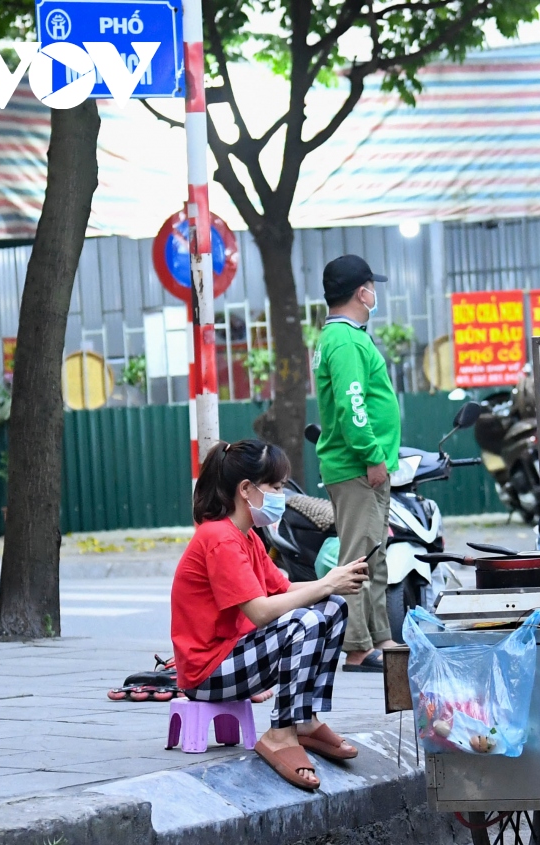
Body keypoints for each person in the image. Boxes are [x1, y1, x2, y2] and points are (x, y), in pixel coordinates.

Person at [170, 439, 370, 791]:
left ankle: (304, 719)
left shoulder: (247, 537)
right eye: (275, 487)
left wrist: (331, 583)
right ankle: (280, 733)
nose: (281, 495)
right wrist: (324, 585)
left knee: (332, 608)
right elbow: (262, 612)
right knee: (304, 621)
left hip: (234, 656)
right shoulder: (220, 539)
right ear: (246, 489)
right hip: (206, 674)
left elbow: (284, 589)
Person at [313, 254, 401, 672]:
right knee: (357, 559)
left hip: (365, 464)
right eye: (371, 286)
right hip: (357, 466)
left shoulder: (347, 336)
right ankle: (355, 647)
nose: (374, 293)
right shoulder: (345, 340)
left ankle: (379, 636)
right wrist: (372, 456)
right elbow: (353, 405)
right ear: (360, 292)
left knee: (374, 555)